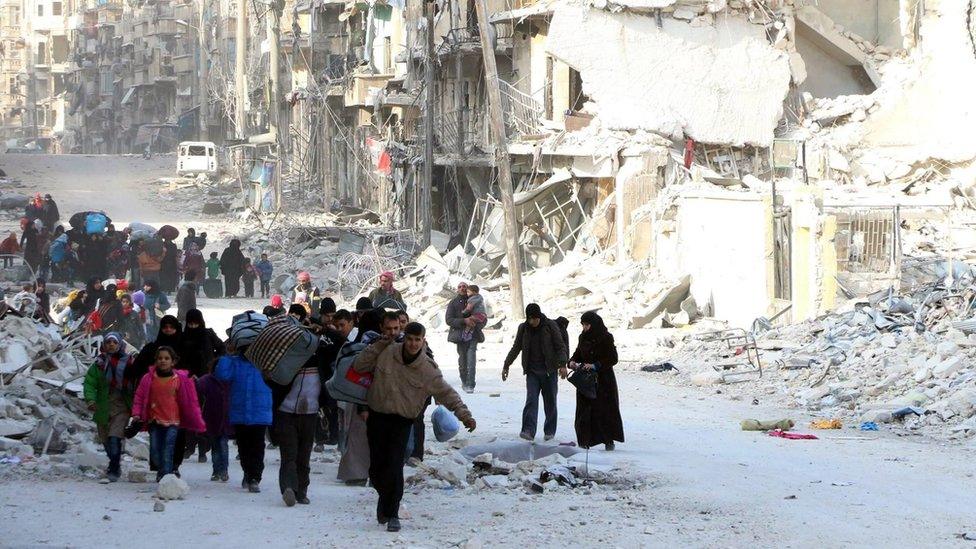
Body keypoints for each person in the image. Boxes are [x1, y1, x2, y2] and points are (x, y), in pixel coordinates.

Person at [353, 321, 476, 532]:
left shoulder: (428, 369)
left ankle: (392, 513)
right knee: (376, 468)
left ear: (423, 341)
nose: (412, 344)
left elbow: (448, 394)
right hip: (378, 417)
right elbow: (359, 366)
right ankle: (385, 500)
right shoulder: (386, 352)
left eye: (417, 340)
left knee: (394, 466)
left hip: (402, 422)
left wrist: (465, 415)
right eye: (409, 339)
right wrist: (379, 345)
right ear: (404, 337)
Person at [269, 327, 333, 506]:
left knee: (304, 456)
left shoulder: (321, 362)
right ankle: (289, 488)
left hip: (310, 415)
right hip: (286, 413)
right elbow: (275, 385)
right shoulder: (286, 363)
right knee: (289, 454)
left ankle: (302, 491)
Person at [130, 346, 206, 481]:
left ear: (173, 361)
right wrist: (136, 413)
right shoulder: (148, 378)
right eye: (160, 358)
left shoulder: (179, 379)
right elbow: (139, 397)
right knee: (155, 449)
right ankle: (161, 468)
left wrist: (193, 417)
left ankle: (166, 474)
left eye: (166, 358)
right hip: (154, 420)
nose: (163, 361)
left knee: (168, 447)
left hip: (173, 421)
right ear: (155, 361)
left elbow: (189, 400)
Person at [215, 325, 273, 493]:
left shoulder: (266, 363)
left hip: (260, 413)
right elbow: (222, 375)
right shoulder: (233, 362)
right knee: (243, 447)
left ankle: (254, 476)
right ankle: (248, 473)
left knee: (257, 446)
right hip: (240, 412)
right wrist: (227, 354)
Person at [502, 303, 569, 441]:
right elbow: (516, 347)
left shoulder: (550, 326)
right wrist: (506, 364)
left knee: (550, 402)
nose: (532, 322)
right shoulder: (524, 328)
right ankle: (528, 430)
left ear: (539, 317)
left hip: (549, 371)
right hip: (532, 371)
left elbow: (560, 346)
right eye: (529, 319)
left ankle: (549, 431)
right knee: (531, 400)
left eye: (534, 319)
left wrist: (562, 365)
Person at [83, 332, 136, 482]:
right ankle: (114, 463)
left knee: (114, 438)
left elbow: (137, 383)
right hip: (103, 407)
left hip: (121, 407)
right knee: (105, 440)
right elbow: (90, 383)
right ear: (104, 345)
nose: (111, 345)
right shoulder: (99, 365)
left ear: (120, 344)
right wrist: (91, 400)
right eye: (108, 342)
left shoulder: (129, 364)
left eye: (114, 342)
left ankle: (113, 469)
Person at [336, 309, 380, 485]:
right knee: (361, 439)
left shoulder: (359, 340)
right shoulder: (371, 341)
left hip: (353, 397)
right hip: (365, 399)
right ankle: (358, 474)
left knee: (354, 437)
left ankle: (356, 473)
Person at [568, 311, 623, 451]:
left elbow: (612, 358)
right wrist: (572, 362)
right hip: (586, 380)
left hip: (603, 380)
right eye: (583, 325)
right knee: (584, 411)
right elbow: (578, 354)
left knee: (604, 410)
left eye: (587, 325)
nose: (585, 328)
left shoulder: (606, 338)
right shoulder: (583, 338)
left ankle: (608, 440)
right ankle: (584, 441)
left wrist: (595, 365)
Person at [196, 365, 233, 481]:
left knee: (222, 445)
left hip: (225, 419)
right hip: (212, 419)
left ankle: (223, 470)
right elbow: (198, 388)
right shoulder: (207, 380)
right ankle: (217, 470)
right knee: (216, 446)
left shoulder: (230, 381)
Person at [446, 282, 477, 392]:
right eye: (460, 287)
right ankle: (464, 381)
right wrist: (464, 321)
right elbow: (449, 320)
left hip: (473, 335)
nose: (462, 288)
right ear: (457, 290)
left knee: (471, 360)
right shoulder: (453, 303)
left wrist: (476, 322)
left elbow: (483, 315)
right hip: (460, 336)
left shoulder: (475, 300)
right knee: (463, 360)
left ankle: (470, 384)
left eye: (464, 286)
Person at [178, 309, 225, 378]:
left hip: (207, 373)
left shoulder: (208, 334)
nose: (193, 327)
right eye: (190, 324)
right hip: (187, 375)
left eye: (196, 324)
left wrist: (214, 361)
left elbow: (222, 348)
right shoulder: (183, 336)